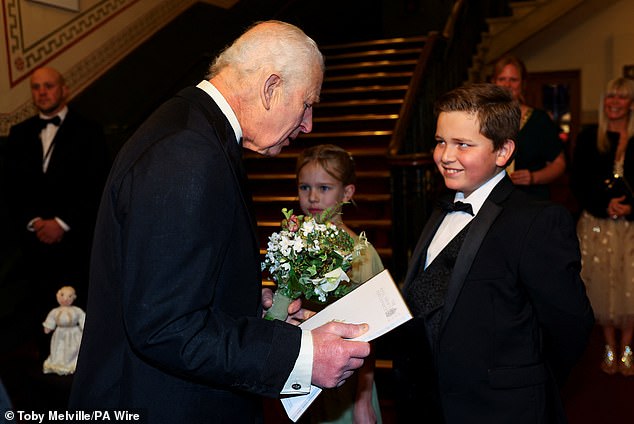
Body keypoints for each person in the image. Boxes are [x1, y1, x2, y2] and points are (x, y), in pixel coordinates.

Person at [69, 20, 371, 423]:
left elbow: (175, 289)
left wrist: (246, 305)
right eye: (307, 103)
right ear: (270, 87)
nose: (308, 124)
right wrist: (303, 356)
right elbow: (166, 325)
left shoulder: (191, 126)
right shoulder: (187, 154)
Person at [393, 83, 594, 423]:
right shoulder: (439, 209)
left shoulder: (537, 222)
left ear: (502, 152)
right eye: (441, 141)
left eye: (463, 144)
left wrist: (523, 381)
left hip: (499, 409)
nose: (445, 156)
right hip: (429, 404)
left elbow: (570, 324)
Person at [2, 66, 109, 354]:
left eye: (49, 86)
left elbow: (97, 187)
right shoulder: (19, 134)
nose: (42, 92)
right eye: (36, 87)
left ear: (64, 89)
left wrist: (61, 223)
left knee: (82, 324)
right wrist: (35, 222)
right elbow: (12, 190)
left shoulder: (90, 132)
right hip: (34, 249)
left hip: (76, 245)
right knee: (42, 324)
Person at [295, 144, 384, 423]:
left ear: (347, 193)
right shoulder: (296, 247)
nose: (312, 197)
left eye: (324, 188)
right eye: (304, 187)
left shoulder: (360, 254)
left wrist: (362, 400)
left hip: (349, 380)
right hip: (307, 374)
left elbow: (372, 333)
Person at [571, 77, 634, 376]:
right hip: (597, 225)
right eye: (610, 97)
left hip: (631, 228)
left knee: (629, 287)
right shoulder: (588, 137)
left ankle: (629, 346)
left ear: (631, 103)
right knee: (603, 287)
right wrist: (603, 206)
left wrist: (631, 208)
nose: (614, 103)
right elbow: (578, 183)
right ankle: (609, 345)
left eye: (621, 97)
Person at [492, 54, 566, 200]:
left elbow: (559, 164)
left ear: (523, 84)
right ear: (493, 82)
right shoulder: (481, 118)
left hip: (530, 200)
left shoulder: (539, 120)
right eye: (502, 79)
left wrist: (533, 177)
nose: (507, 85)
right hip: (491, 202)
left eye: (513, 80)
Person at [42, 286, 85, 375]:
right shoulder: (55, 311)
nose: (65, 299)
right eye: (62, 295)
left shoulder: (76, 310)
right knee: (59, 348)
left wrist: (84, 328)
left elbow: (82, 318)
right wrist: (48, 327)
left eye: (69, 296)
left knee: (74, 348)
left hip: (74, 333)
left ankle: (72, 364)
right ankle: (59, 364)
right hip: (60, 333)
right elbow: (51, 319)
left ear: (73, 297)